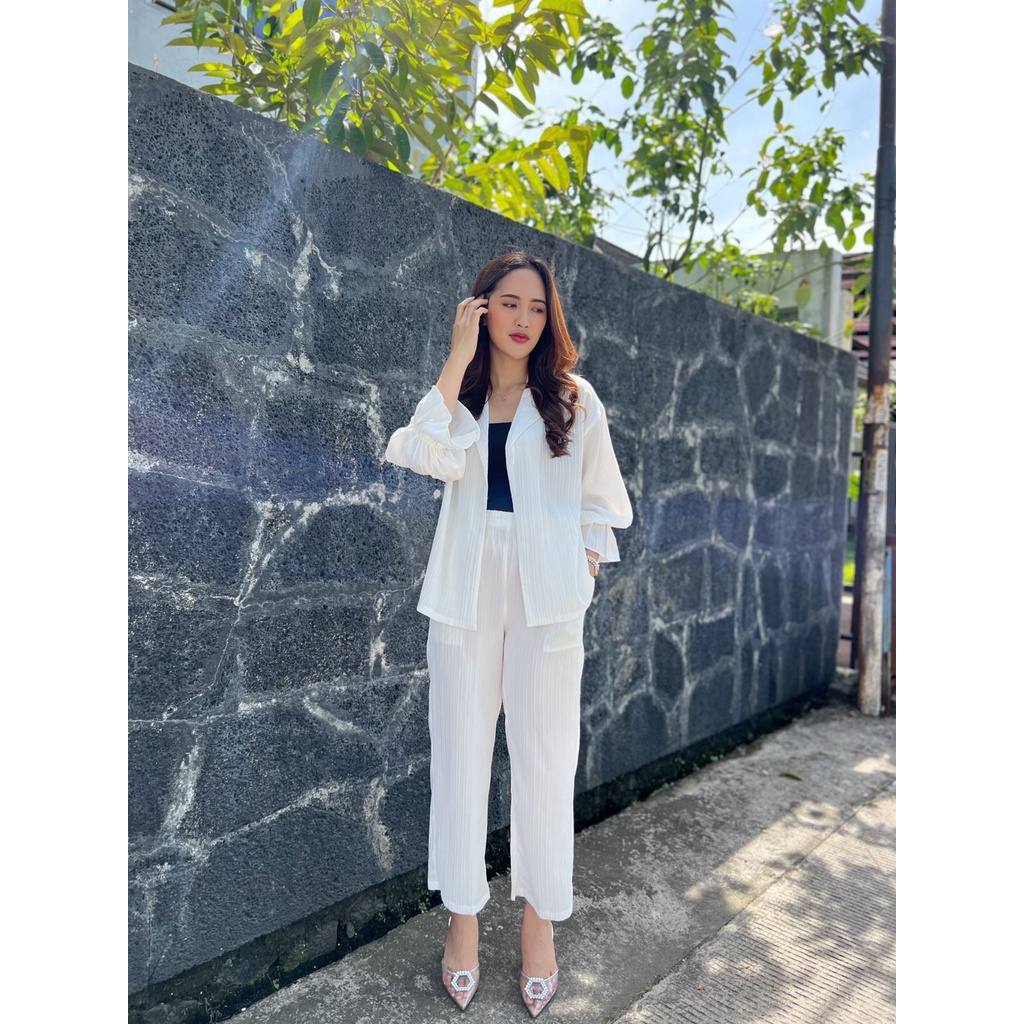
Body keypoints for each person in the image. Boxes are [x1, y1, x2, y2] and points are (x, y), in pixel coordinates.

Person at [385, 252, 632, 1016]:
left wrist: (583, 567)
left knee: (546, 758)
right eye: (509, 302)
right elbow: (420, 453)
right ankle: (463, 920)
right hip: (465, 583)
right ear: (482, 307)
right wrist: (456, 358)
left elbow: (600, 500)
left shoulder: (573, 399)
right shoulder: (459, 395)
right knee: (460, 753)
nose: (524, 318)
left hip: (548, 591)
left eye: (537, 306)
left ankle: (539, 925)